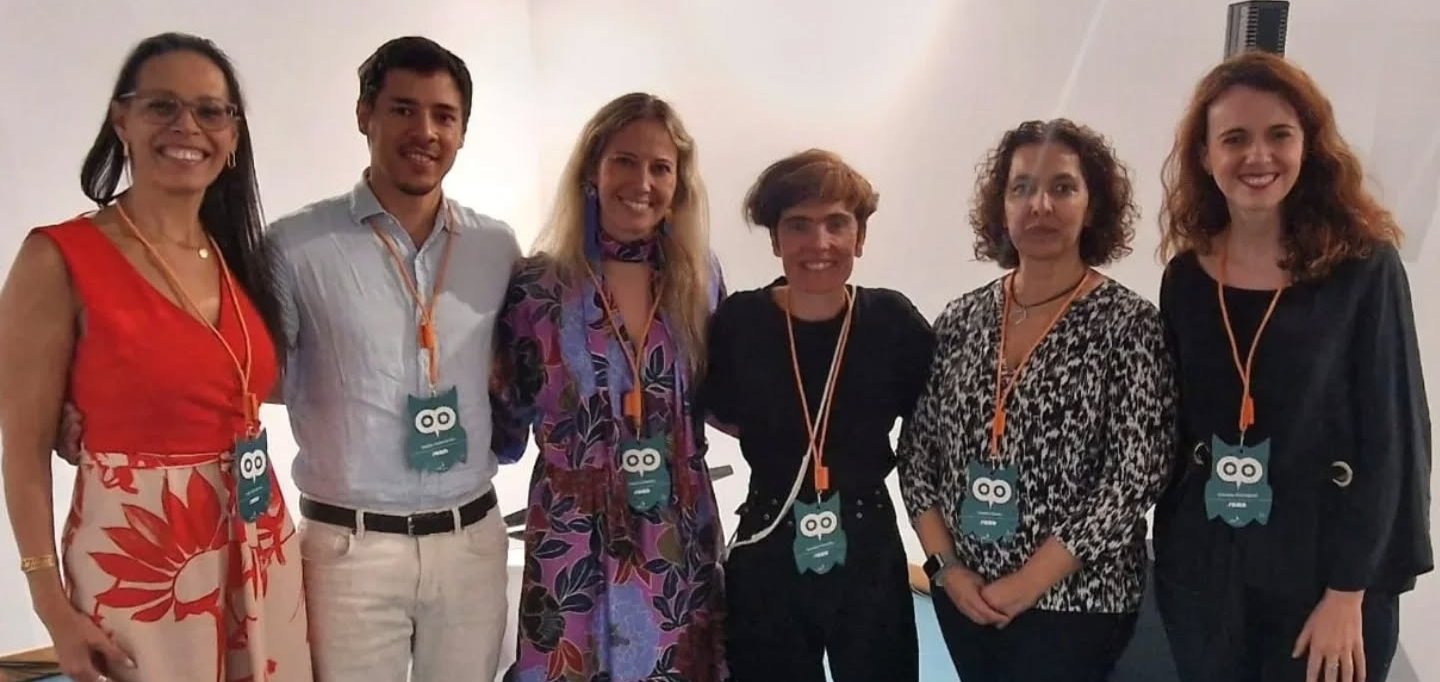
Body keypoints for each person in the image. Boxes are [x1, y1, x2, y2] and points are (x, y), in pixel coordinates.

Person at [0, 32, 312, 682]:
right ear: (123, 120)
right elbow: (23, 452)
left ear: (232, 136)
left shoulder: (236, 257)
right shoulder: (58, 257)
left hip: (257, 544)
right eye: (162, 106)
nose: (187, 127)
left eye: (209, 111)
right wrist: (51, 606)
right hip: (142, 561)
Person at [1152, 50, 1433, 682]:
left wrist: (1349, 591)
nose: (1258, 156)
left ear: (1309, 146)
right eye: (1234, 138)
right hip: (1206, 574)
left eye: (1279, 135)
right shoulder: (1186, 277)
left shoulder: (1363, 268)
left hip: (1324, 579)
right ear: (1205, 156)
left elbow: (1393, 438)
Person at [263, 37, 520, 681]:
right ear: (364, 115)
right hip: (349, 552)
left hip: (469, 542)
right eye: (403, 109)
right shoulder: (296, 245)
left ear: (462, 130)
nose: (424, 131)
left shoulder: (495, 246)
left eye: (444, 115)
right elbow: (253, 376)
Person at [895, 118, 1177, 682]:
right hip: (965, 597)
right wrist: (947, 569)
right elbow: (917, 457)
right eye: (1021, 188)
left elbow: (1135, 475)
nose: (1040, 205)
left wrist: (1026, 584)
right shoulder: (960, 319)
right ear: (1001, 207)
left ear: (1092, 207)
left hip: (1078, 604)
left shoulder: (1130, 325)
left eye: (1062, 187)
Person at [491, 92, 728, 682]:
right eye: (624, 160)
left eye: (660, 167)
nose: (641, 182)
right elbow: (506, 423)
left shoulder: (700, 281)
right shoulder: (538, 288)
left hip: (677, 528)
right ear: (592, 170)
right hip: (571, 533)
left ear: (678, 183)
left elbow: (720, 394)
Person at [702, 149, 932, 681]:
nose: (819, 243)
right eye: (798, 225)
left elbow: (936, 421)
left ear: (860, 236)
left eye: (836, 223)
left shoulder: (891, 321)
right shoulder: (741, 322)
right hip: (769, 537)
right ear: (775, 239)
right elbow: (718, 408)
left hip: (868, 544)